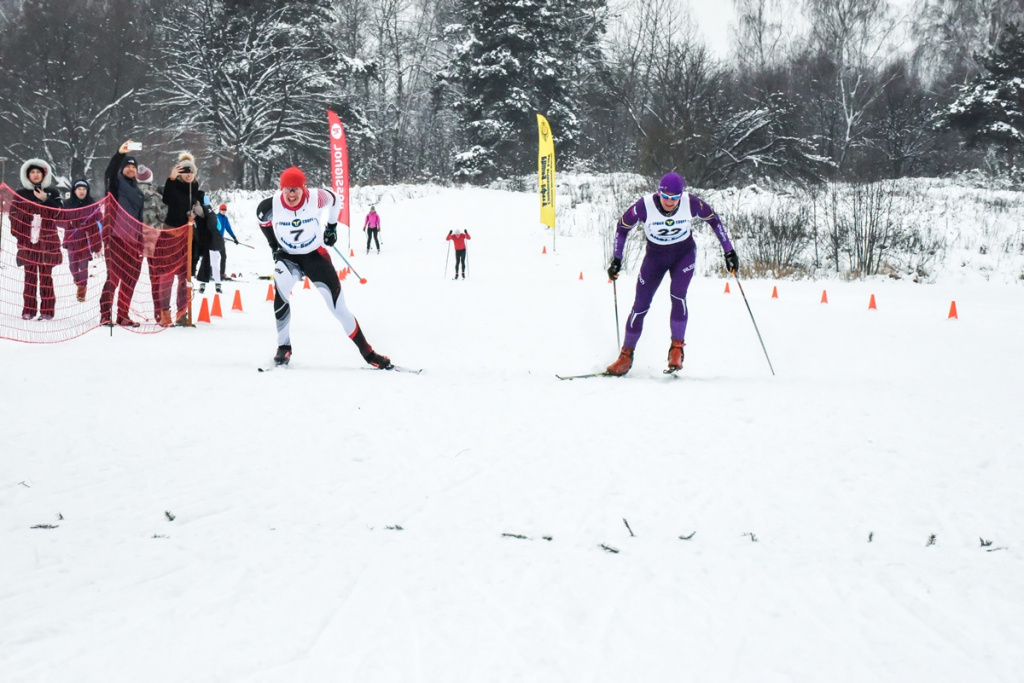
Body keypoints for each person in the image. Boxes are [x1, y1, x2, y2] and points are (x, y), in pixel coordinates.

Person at [257, 166, 392, 368]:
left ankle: (368, 353)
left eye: (296, 189)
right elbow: (263, 222)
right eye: (287, 189)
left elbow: (335, 200)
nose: (291, 194)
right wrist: (274, 246)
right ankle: (284, 347)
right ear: (281, 189)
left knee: (338, 308)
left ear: (304, 188)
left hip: (315, 256)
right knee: (281, 292)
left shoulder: (317, 198)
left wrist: (331, 227)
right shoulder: (269, 206)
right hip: (288, 257)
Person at [605, 172, 739, 375]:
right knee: (640, 306)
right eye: (665, 197)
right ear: (658, 193)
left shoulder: (691, 203)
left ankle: (677, 349)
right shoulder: (645, 206)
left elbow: (714, 220)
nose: (669, 202)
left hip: (683, 255)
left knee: (678, 295)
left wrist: (729, 251)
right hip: (655, 258)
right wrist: (616, 258)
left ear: (681, 196)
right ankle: (626, 355)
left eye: (674, 198)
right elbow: (622, 227)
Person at [9, 158, 63, 319]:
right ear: (27, 175)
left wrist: (45, 200)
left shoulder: (52, 192)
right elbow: (13, 216)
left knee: (46, 276)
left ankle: (47, 311)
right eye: (32, 172)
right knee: (30, 277)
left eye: (38, 172)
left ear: (44, 174)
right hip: (28, 242)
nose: (35, 175)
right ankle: (28, 310)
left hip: (48, 242)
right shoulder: (20, 194)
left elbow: (60, 213)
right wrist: (22, 231)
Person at [101, 140, 147, 327]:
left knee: (130, 278)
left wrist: (141, 239)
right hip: (116, 236)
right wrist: (119, 153)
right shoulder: (115, 185)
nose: (130, 170)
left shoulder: (137, 190)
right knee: (113, 277)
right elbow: (109, 173)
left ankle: (123, 314)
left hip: (134, 239)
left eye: (133, 167)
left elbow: (140, 217)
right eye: (127, 167)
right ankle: (105, 314)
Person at [62, 179, 102, 303]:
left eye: (84, 189)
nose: (81, 191)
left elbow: (100, 219)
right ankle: (78, 281)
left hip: (86, 239)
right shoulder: (68, 203)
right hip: (72, 239)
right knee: (73, 266)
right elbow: (61, 219)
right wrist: (68, 223)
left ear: (87, 191)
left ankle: (82, 288)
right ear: (74, 190)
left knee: (83, 266)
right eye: (79, 189)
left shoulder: (92, 204)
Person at [215, 204, 238, 280]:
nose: (223, 212)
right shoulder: (216, 217)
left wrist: (234, 237)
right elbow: (212, 227)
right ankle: (210, 272)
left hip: (221, 240)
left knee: (223, 256)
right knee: (214, 257)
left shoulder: (225, 219)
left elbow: (228, 228)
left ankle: (222, 273)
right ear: (219, 210)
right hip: (214, 239)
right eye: (222, 210)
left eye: (225, 210)